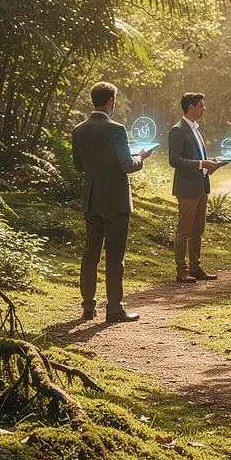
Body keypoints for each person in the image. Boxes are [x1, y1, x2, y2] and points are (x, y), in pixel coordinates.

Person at [71, 81, 153, 323]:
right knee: (115, 255)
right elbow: (128, 166)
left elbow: (78, 166)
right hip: (116, 201)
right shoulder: (116, 129)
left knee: (90, 252)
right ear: (110, 102)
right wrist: (140, 156)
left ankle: (88, 307)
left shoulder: (79, 129)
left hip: (91, 199)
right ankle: (115, 308)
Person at [168, 92, 223, 283]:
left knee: (198, 230)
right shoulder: (178, 130)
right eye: (201, 105)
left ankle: (195, 267)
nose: (204, 108)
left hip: (201, 186)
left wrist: (212, 163)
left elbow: (198, 157)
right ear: (191, 107)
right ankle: (181, 270)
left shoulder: (196, 130)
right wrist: (201, 164)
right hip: (187, 189)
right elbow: (174, 160)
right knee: (184, 230)